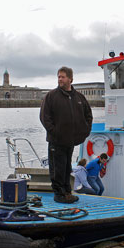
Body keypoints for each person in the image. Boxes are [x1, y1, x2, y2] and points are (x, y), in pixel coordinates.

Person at [40, 66, 93, 203]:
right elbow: (45, 118)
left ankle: (67, 193)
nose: (60, 79)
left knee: (66, 168)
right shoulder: (51, 96)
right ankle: (59, 195)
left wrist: (84, 132)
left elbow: (88, 115)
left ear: (70, 79)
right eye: (58, 77)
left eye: (62, 77)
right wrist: (55, 132)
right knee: (57, 169)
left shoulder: (79, 98)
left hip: (71, 141)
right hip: (56, 141)